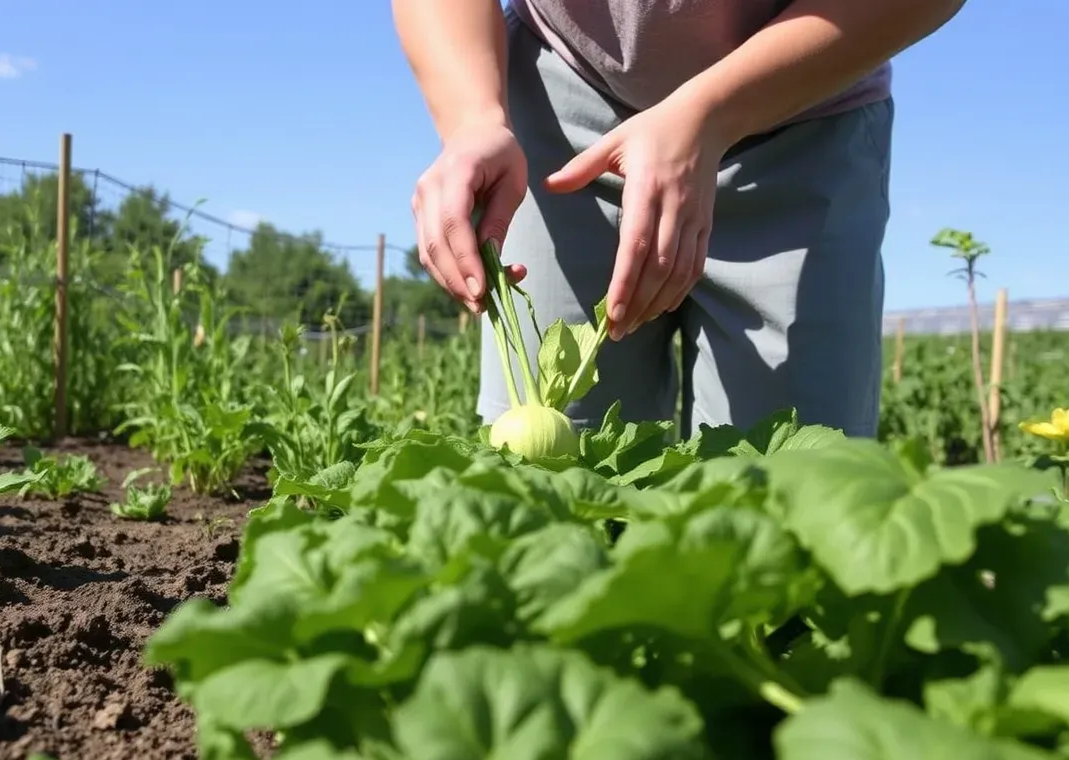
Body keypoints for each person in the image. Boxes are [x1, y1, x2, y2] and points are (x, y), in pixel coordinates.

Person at [392, 0, 966, 439]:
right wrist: (471, 118)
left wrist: (712, 115)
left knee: (788, 483)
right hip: (563, 100)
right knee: (556, 462)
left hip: (803, 106)